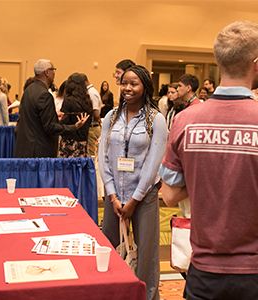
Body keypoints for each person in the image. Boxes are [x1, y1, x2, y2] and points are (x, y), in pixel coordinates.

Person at [160, 20, 258, 300]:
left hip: (203, 271)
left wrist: (206, 171)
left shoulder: (185, 121)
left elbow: (168, 196)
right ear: (257, 65)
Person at [99, 65, 167, 300]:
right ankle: (114, 293)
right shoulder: (111, 116)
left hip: (144, 197)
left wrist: (135, 200)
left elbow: (153, 164)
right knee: (111, 248)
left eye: (134, 83)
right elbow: (103, 157)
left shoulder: (155, 120)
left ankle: (146, 296)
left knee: (146, 254)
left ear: (145, 87)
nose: (127, 88)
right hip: (114, 196)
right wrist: (113, 195)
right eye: (124, 83)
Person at [14, 59, 88, 158]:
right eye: (53, 69)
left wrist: (53, 116)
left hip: (25, 148)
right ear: (47, 72)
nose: (54, 73)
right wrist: (74, 127)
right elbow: (50, 127)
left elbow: (33, 118)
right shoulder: (44, 95)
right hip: (39, 151)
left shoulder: (28, 90)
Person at [58, 73, 93, 157]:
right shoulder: (87, 101)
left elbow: (64, 124)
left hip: (69, 143)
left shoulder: (68, 101)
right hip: (83, 142)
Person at [82, 73, 101, 157]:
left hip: (93, 127)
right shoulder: (91, 91)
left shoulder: (91, 93)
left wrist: (99, 121)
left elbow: (95, 112)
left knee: (92, 154)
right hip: (93, 126)